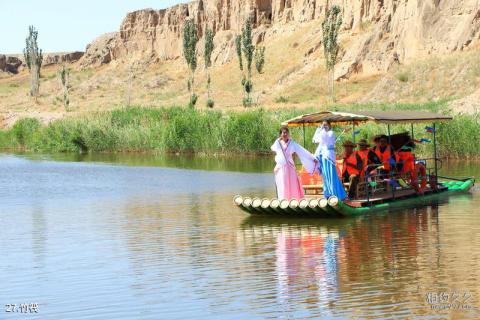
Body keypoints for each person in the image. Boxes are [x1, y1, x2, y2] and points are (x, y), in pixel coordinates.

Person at [271, 126, 317, 200]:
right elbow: (273, 148)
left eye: (286, 133)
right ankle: (283, 199)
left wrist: (312, 158)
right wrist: (278, 140)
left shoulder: (292, 143)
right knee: (283, 183)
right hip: (281, 167)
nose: (285, 134)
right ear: (280, 134)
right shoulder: (278, 143)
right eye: (283, 133)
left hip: (290, 166)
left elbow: (302, 151)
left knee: (293, 183)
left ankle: (294, 199)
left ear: (288, 134)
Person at [312, 120, 347, 200]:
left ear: (329, 125)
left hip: (329, 156)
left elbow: (325, 139)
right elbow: (315, 140)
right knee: (325, 176)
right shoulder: (323, 133)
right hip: (323, 156)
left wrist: (321, 130)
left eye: (325, 125)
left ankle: (335, 194)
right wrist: (318, 130)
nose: (324, 126)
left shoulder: (331, 133)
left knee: (331, 175)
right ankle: (328, 194)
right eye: (323, 125)